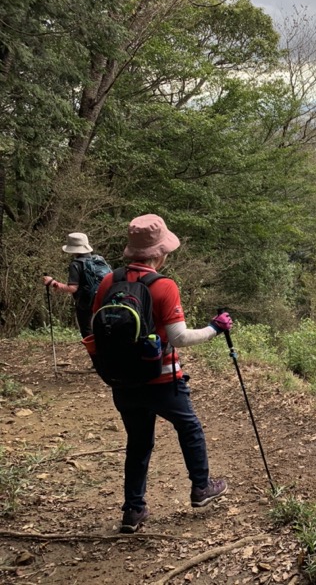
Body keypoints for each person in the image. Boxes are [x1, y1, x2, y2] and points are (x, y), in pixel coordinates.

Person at [92, 214, 231, 533]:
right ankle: (201, 488)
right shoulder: (163, 286)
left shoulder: (108, 282)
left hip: (122, 381)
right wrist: (214, 328)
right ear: (159, 253)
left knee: (138, 442)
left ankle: (133, 510)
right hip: (162, 380)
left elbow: (96, 331)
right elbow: (180, 337)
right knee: (189, 426)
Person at [43, 232, 108, 337]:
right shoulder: (99, 259)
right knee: (102, 328)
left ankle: (94, 352)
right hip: (104, 299)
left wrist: (53, 283)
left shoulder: (76, 264)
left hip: (85, 302)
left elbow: (72, 288)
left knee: (87, 330)